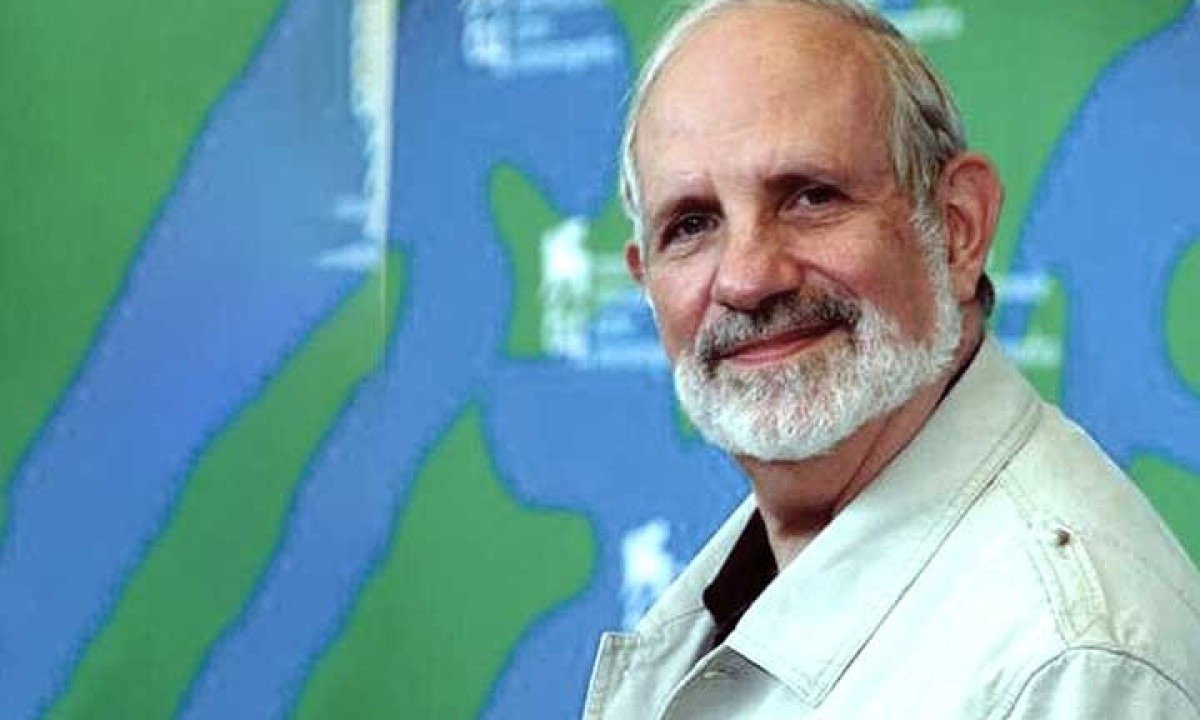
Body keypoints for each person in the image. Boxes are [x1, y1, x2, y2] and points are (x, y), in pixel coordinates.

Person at [582, 1, 1200, 718]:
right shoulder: (754, 572)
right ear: (647, 281)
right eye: (692, 224)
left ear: (958, 230)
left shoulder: (1072, 667)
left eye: (811, 197)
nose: (747, 279)